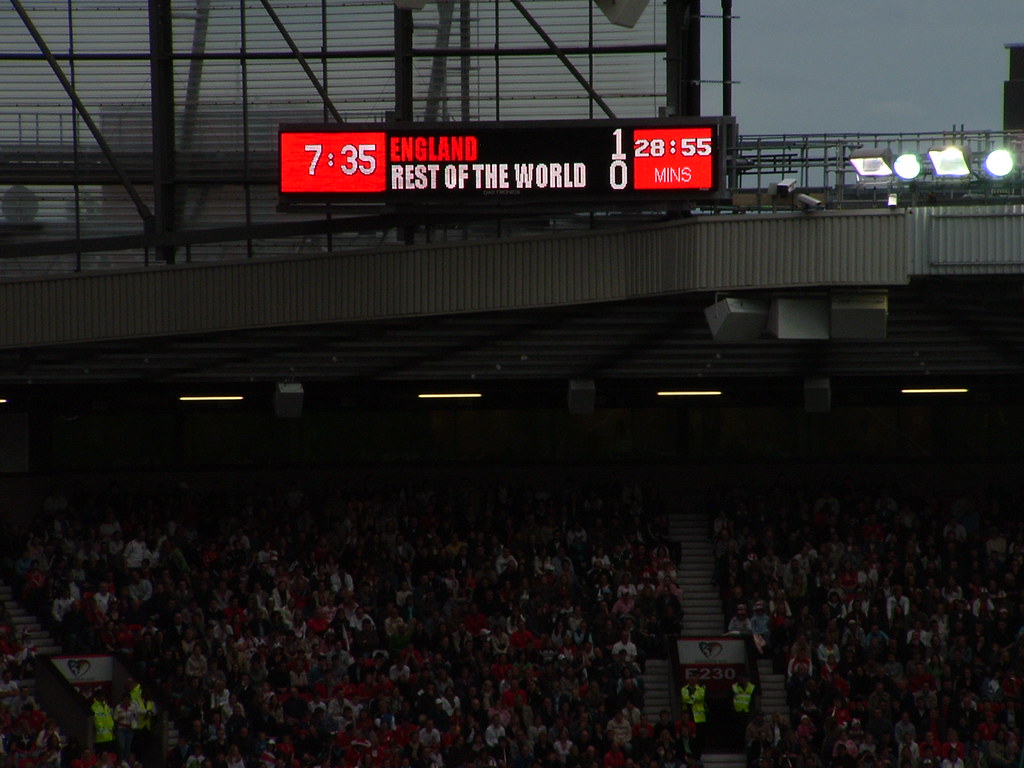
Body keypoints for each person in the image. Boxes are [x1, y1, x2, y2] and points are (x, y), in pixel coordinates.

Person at [679, 679, 707, 755]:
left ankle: (701, 749)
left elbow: (701, 698)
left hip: (699, 716)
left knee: (700, 733)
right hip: (688, 714)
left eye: (694, 679)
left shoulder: (701, 689)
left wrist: (690, 698)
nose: (693, 681)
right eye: (691, 679)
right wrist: (694, 698)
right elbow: (685, 698)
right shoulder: (684, 689)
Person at [731, 671, 756, 738]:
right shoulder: (734, 687)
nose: (742, 679)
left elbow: (753, 701)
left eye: (743, 678)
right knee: (736, 731)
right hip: (736, 713)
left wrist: (752, 712)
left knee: (746, 731)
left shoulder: (752, 687)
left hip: (747, 713)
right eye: (741, 678)